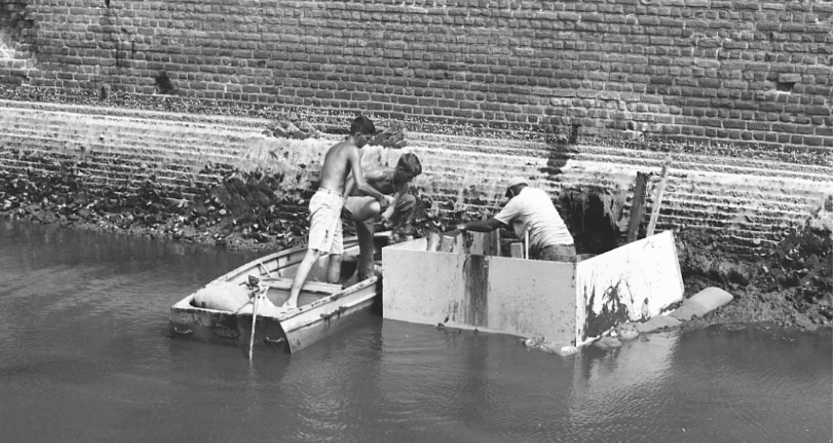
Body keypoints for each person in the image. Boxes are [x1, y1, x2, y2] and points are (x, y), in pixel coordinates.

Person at [282, 116, 390, 310]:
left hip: (333, 202)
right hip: (327, 203)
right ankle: (291, 300)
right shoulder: (352, 150)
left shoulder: (335, 148)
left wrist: (342, 203)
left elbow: (342, 181)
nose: (367, 143)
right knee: (314, 252)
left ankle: (329, 293)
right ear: (358, 135)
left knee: (337, 253)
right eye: (366, 139)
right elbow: (360, 183)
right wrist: (380, 196)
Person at [343, 153, 423, 279]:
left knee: (410, 200)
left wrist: (385, 218)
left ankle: (397, 238)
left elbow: (393, 205)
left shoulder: (403, 185)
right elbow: (354, 179)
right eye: (409, 177)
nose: (410, 181)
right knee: (367, 252)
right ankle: (364, 273)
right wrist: (343, 199)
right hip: (362, 205)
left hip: (378, 206)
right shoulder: (380, 174)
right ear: (400, 170)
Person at [457, 177, 576, 261]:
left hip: (551, 251)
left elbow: (489, 225)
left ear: (512, 192)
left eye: (508, 197)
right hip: (569, 248)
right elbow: (527, 220)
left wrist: (466, 225)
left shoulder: (517, 201)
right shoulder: (540, 194)